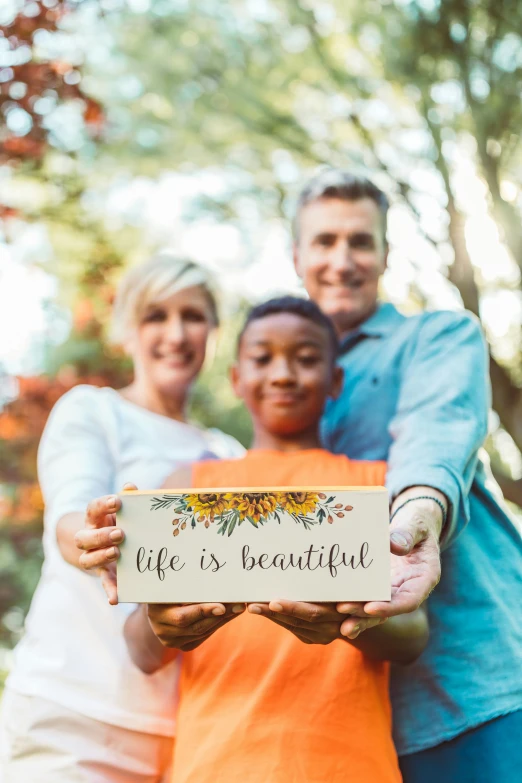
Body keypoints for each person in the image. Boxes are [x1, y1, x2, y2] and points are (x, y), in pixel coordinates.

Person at [76, 295, 429, 783]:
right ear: (237, 379)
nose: (282, 374)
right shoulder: (187, 486)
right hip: (215, 763)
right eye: (262, 359)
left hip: (352, 764)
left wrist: (357, 620)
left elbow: (414, 634)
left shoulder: (379, 485)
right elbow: (141, 648)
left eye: (306, 359)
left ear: (335, 380)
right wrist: (162, 625)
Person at [292, 169, 522, 782]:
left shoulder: (438, 338)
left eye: (360, 242)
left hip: (479, 686)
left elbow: (434, 430)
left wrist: (418, 509)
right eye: (324, 242)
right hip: (361, 723)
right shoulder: (286, 388)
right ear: (297, 256)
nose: (342, 260)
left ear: (386, 255)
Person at [0, 256, 244, 783]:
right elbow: (71, 513)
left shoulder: (230, 454)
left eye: (193, 316)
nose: (176, 334)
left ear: (213, 332)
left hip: (186, 734)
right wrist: (89, 538)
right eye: (156, 315)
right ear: (127, 331)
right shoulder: (93, 412)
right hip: (69, 716)